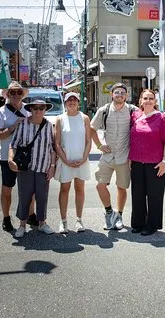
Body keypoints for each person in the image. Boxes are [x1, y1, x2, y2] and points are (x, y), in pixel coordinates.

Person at [127, 89, 165, 236]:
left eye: (151, 98)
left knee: (154, 196)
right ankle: (138, 223)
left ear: (155, 101)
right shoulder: (135, 115)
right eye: (145, 98)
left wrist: (164, 161)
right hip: (136, 161)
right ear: (140, 101)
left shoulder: (162, 118)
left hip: (156, 163)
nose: (148, 101)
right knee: (137, 194)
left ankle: (152, 225)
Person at [8, 98, 57, 237]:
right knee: (24, 196)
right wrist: (10, 159)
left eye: (41, 108)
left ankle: (42, 223)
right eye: (35, 108)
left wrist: (52, 166)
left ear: (45, 110)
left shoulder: (49, 125)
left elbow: (52, 148)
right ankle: (22, 225)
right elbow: (13, 145)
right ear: (30, 109)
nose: (38, 111)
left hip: (43, 166)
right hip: (25, 167)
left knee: (42, 196)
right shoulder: (23, 124)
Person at [90, 83, 135, 230]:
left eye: (122, 93)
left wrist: (164, 116)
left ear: (126, 95)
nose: (119, 95)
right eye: (117, 92)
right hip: (107, 156)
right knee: (100, 185)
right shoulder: (104, 110)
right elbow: (92, 128)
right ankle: (109, 212)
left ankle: (119, 215)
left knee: (122, 188)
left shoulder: (133, 110)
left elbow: (148, 116)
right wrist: (99, 145)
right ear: (112, 94)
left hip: (124, 156)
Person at [0, 82, 36, 232]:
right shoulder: (2, 112)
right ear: (8, 95)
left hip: (27, 156)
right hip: (7, 157)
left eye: (19, 92)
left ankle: (31, 214)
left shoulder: (29, 110)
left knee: (29, 189)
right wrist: (12, 128)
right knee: (7, 189)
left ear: (22, 94)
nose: (16, 95)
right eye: (13, 92)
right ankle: (6, 218)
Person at [54, 92, 92, 233]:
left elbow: (88, 141)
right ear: (65, 103)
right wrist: (66, 160)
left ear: (78, 102)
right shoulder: (60, 119)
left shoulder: (85, 118)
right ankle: (63, 221)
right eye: (69, 100)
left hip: (81, 160)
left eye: (74, 99)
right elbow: (57, 143)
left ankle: (79, 219)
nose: (72, 102)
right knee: (64, 189)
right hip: (66, 160)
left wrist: (84, 158)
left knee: (80, 189)